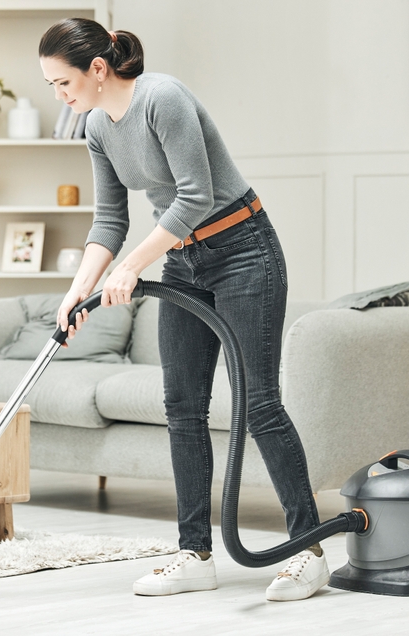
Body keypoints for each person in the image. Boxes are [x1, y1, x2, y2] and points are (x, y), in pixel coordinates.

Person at [39, 18, 327, 601]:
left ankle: (309, 552)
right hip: (183, 260)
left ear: (98, 68)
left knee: (259, 404)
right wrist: (77, 291)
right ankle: (194, 554)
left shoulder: (161, 98)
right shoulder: (96, 127)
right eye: (52, 86)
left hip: (244, 250)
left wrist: (130, 267)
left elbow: (195, 195)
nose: (60, 95)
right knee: (182, 407)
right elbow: (109, 220)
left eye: (63, 82)